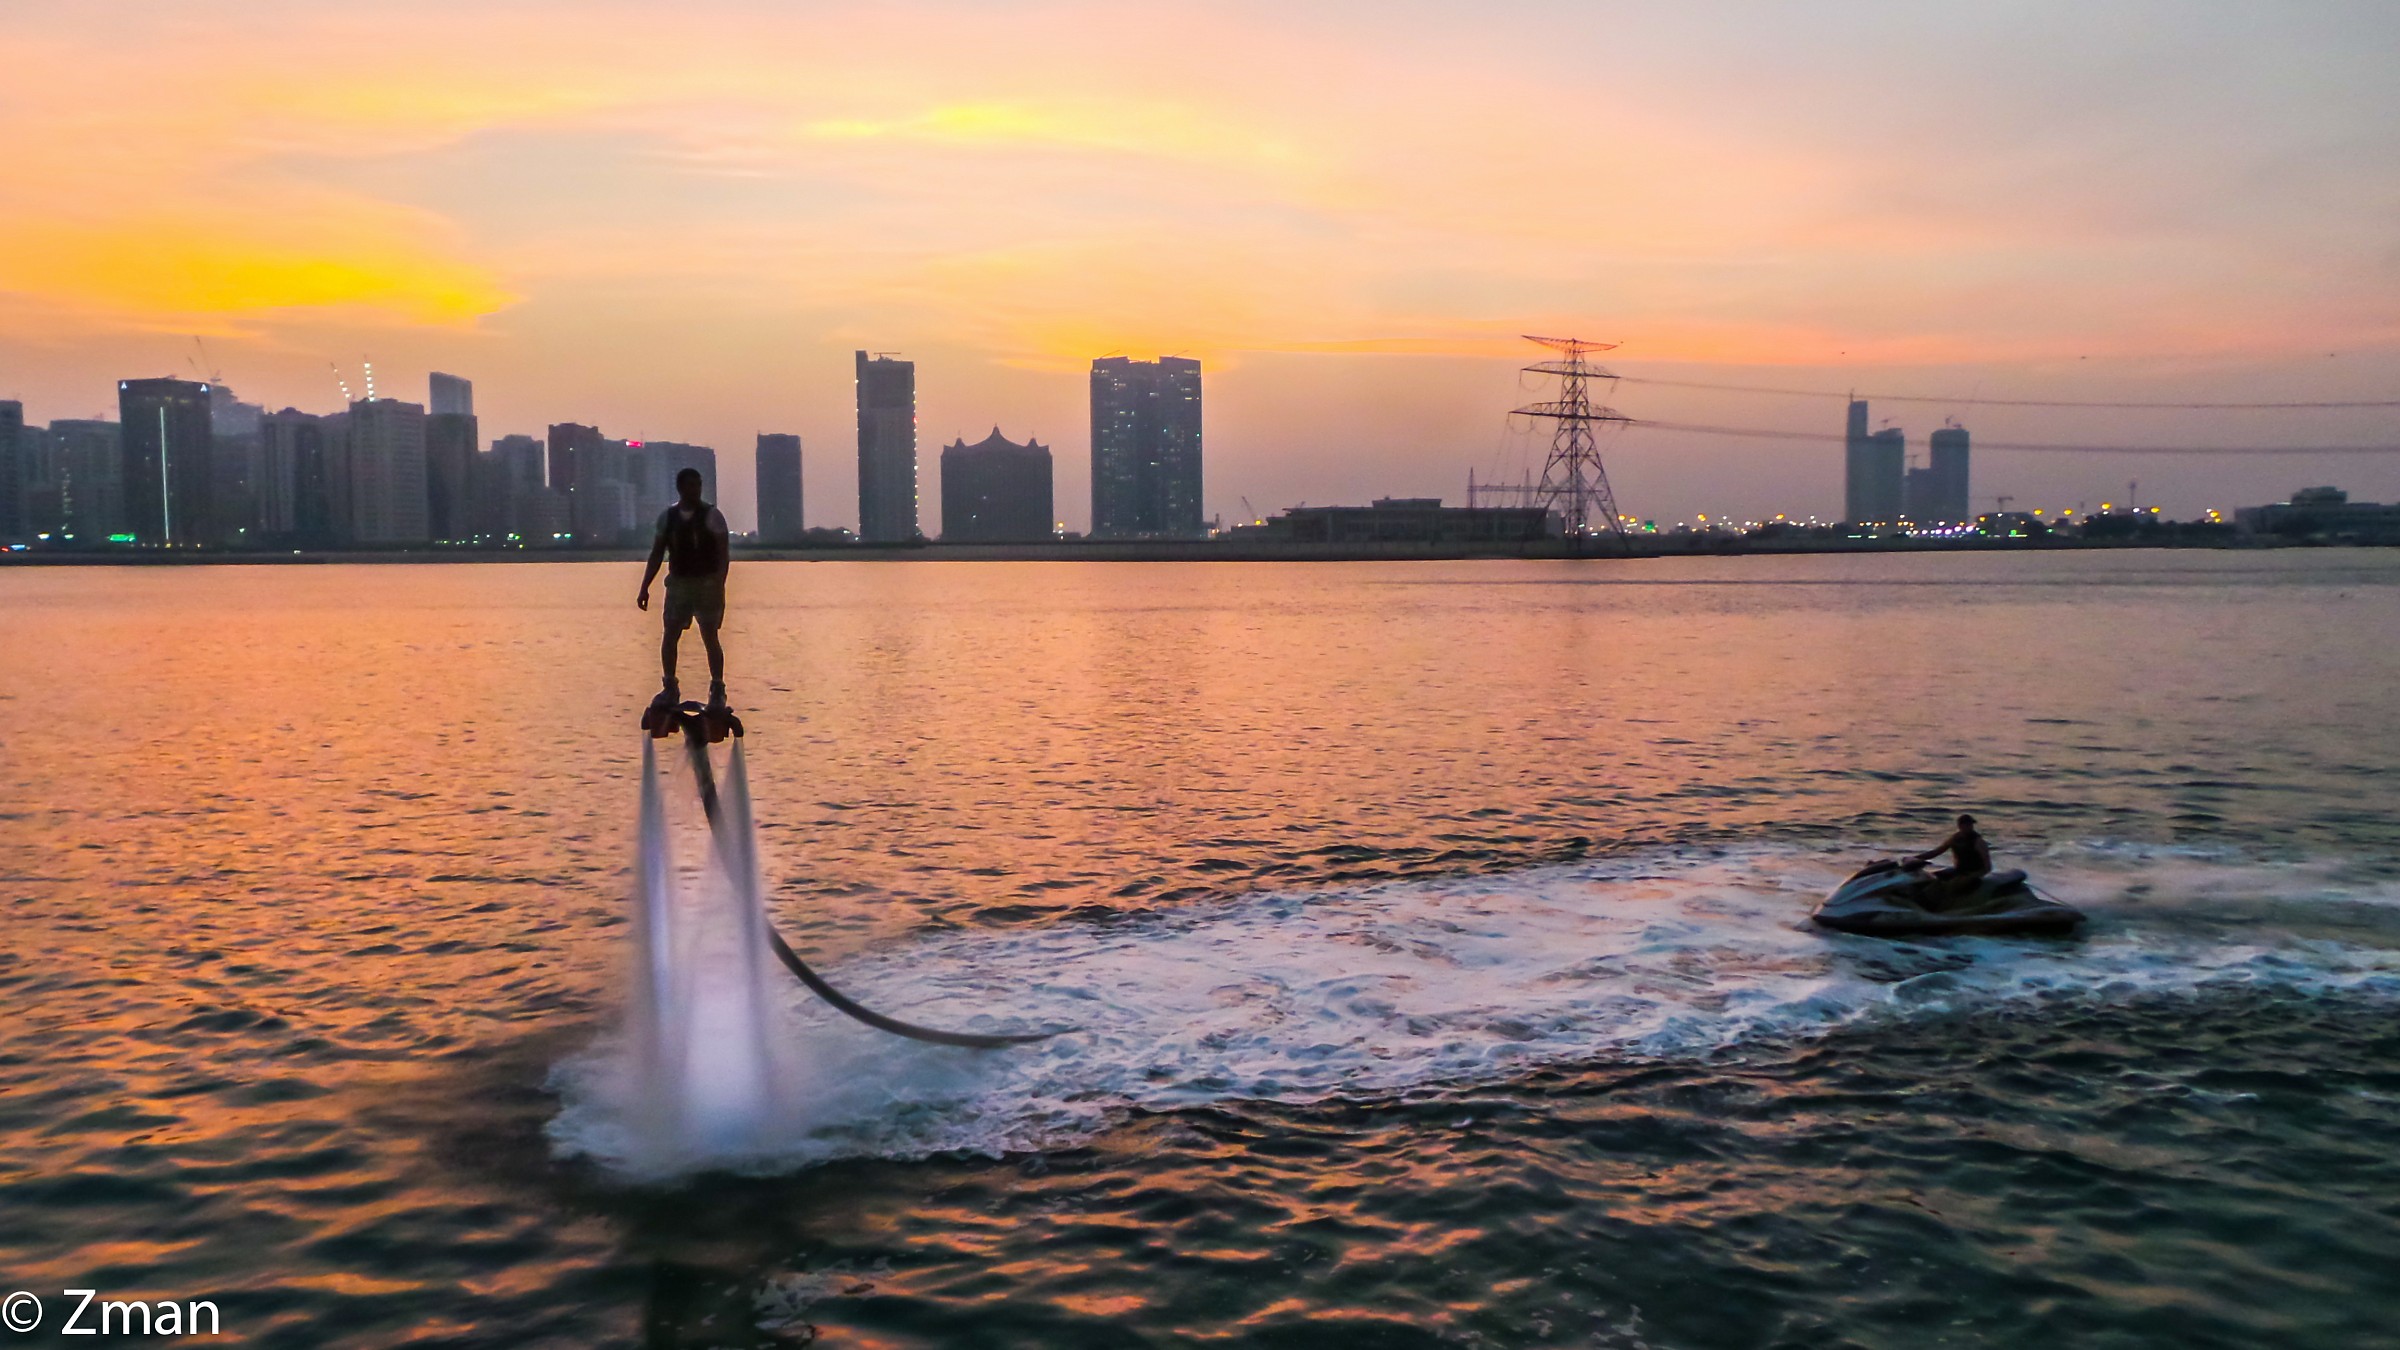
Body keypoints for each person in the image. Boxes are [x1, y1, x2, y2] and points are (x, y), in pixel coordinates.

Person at [637, 468, 731, 712]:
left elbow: (723, 553)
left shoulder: (713, 516)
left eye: (698, 485)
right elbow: (657, 553)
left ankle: (717, 689)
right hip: (679, 584)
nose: (695, 490)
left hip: (707, 584)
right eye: (690, 485)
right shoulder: (668, 518)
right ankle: (670, 686)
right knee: (670, 634)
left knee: (710, 635)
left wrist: (719, 583)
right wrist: (645, 587)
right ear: (680, 488)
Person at [1904, 813, 1992, 904]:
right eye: (1967, 825)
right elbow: (1937, 852)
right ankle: (1920, 900)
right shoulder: (1955, 838)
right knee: (1933, 878)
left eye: (1971, 825)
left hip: (1972, 874)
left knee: (1950, 885)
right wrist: (1915, 858)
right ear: (1960, 826)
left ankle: (1942, 905)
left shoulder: (1978, 842)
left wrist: (1971, 877)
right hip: (1959, 871)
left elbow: (1987, 868)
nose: (1970, 827)